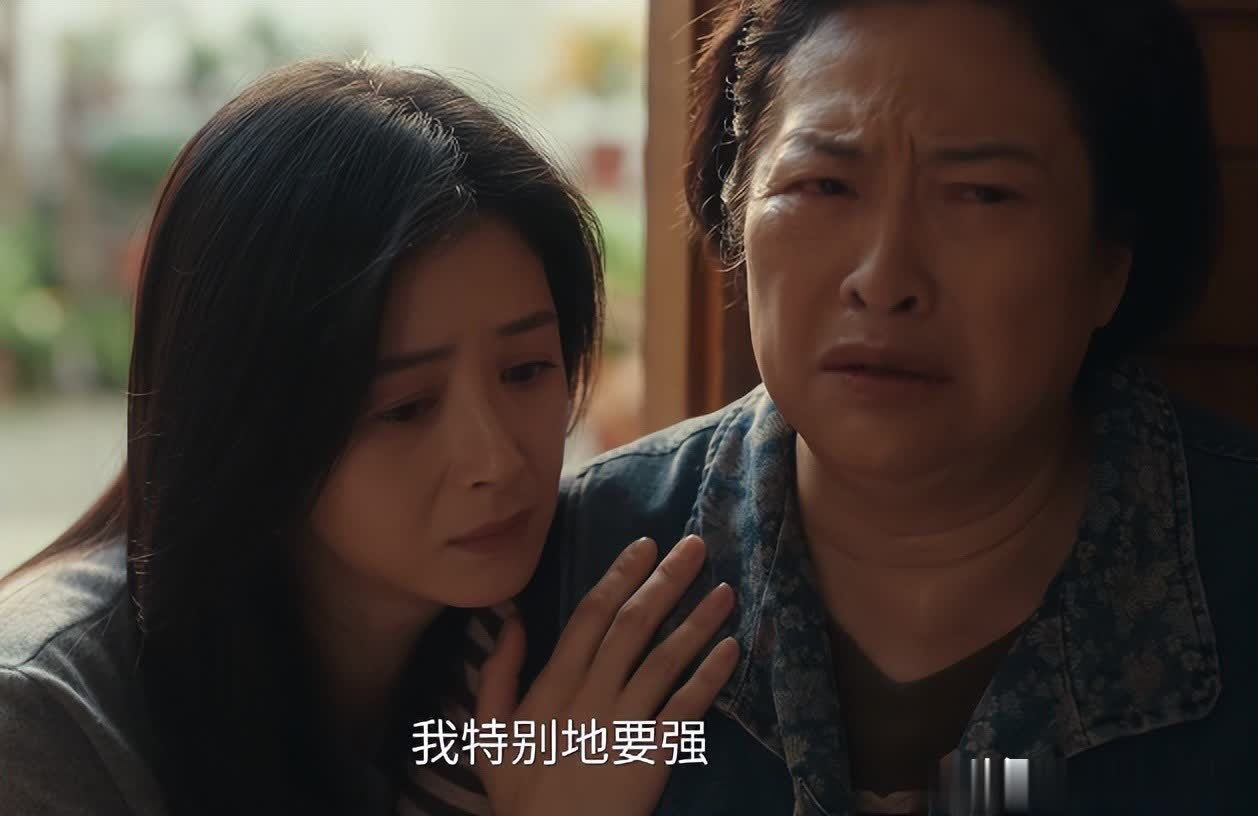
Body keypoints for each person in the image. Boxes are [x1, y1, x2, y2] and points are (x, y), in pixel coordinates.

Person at [505, 1, 1258, 814]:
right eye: (823, 185)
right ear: (736, 206)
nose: (884, 278)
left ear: (1110, 260)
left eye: (983, 195)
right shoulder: (573, 565)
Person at [0, 59, 739, 816]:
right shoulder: (40, 724)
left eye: (525, 371)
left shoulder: (553, 623)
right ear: (247, 414)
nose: (496, 459)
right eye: (406, 408)